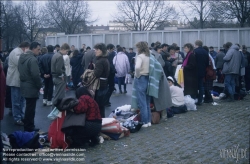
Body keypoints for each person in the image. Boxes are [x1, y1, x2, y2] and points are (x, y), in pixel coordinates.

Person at [18, 42, 42, 132]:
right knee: (31, 108)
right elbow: (35, 75)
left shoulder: (22, 57)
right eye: (38, 49)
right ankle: (29, 127)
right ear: (33, 49)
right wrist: (39, 85)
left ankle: (27, 125)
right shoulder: (33, 59)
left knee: (28, 106)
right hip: (31, 86)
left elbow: (19, 69)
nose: (39, 51)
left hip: (24, 84)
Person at [6, 42, 30, 126]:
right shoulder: (16, 52)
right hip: (15, 80)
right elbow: (20, 63)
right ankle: (17, 118)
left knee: (21, 100)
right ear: (25, 47)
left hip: (19, 80)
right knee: (16, 101)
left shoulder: (19, 52)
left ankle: (20, 116)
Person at [133, 41, 151, 127]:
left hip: (141, 78)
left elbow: (137, 67)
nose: (136, 49)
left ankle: (144, 121)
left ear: (140, 48)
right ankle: (149, 121)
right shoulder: (149, 56)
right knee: (147, 101)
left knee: (142, 102)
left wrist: (137, 75)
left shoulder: (140, 56)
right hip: (148, 78)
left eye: (137, 47)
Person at [93, 43, 110, 118]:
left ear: (102, 51)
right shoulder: (105, 59)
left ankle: (99, 122)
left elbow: (96, 74)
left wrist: (92, 70)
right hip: (104, 84)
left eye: (97, 50)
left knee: (98, 106)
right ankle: (102, 121)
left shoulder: (100, 61)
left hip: (99, 85)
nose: (95, 51)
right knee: (101, 106)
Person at [51, 43, 70, 108]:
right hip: (59, 78)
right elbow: (58, 69)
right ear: (63, 49)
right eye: (67, 51)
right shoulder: (60, 57)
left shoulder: (55, 55)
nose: (67, 53)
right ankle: (54, 111)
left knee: (56, 94)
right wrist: (61, 75)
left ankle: (55, 111)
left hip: (54, 77)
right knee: (59, 96)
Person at [194, 40, 209, 105]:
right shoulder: (205, 52)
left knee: (194, 86)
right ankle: (200, 100)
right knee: (201, 86)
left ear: (196, 44)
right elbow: (207, 63)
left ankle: (195, 98)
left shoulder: (195, 51)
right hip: (202, 70)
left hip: (195, 70)